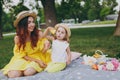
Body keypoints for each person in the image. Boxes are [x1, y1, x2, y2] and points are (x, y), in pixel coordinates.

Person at [2, 11, 51, 78]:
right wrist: (38, 61)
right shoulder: (18, 38)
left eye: (33, 22)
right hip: (23, 58)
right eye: (29, 22)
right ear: (22, 25)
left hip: (37, 56)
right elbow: (22, 55)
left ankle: (26, 70)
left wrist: (46, 47)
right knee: (13, 74)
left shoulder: (38, 34)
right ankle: (21, 70)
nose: (32, 24)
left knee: (28, 72)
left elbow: (42, 51)